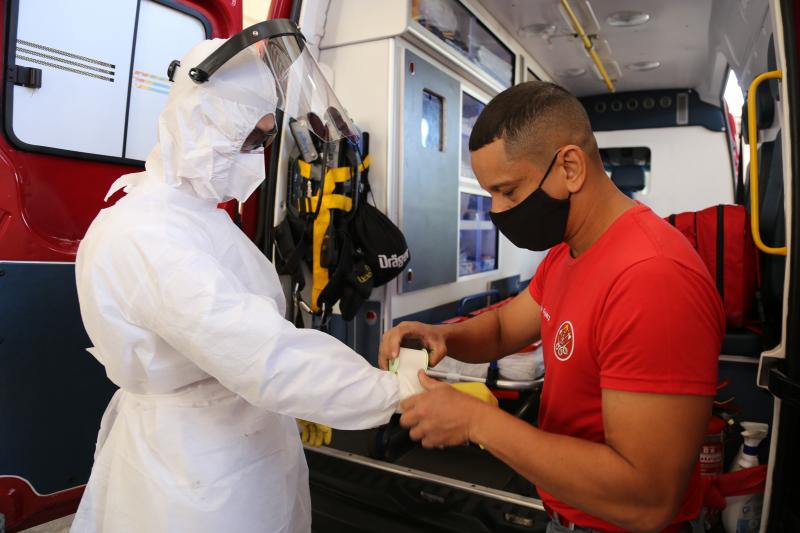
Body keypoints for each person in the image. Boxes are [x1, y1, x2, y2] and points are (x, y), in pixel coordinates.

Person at [71, 35, 413, 533]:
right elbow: (263, 355)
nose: (258, 155)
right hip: (195, 475)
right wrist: (397, 395)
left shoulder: (200, 218)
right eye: (250, 137)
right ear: (201, 122)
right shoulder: (145, 234)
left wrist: (312, 396)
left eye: (267, 141)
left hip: (239, 448)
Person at [379, 81, 725, 533]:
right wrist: (444, 336)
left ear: (570, 166)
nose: (497, 211)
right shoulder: (568, 252)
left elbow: (648, 498)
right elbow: (506, 326)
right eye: (490, 196)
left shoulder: (652, 278)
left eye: (508, 191)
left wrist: (478, 423)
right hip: (565, 515)